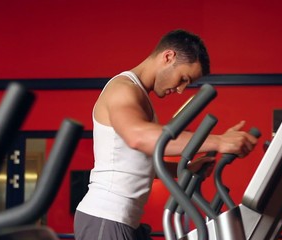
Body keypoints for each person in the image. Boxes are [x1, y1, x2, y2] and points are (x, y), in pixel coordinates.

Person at [74, 29, 258, 240]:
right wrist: (218, 141)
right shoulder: (123, 88)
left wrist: (184, 169)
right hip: (106, 217)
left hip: (124, 220)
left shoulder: (141, 97)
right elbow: (138, 138)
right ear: (168, 56)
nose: (180, 90)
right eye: (183, 79)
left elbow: (138, 163)